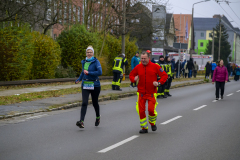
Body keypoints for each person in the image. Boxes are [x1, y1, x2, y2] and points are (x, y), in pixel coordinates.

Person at [129, 51, 168, 134]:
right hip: (141, 93)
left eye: (144, 58)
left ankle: (152, 124)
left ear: (148, 58)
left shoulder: (155, 66)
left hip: (151, 92)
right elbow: (131, 75)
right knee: (141, 111)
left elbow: (164, 75)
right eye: (142, 58)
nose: (143, 60)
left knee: (151, 110)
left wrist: (159, 83)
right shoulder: (138, 67)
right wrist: (133, 79)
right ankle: (144, 128)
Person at [75, 46, 102, 128]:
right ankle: (81, 121)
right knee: (84, 103)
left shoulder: (96, 62)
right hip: (85, 84)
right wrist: (79, 79)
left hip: (95, 85)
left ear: (93, 53)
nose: (89, 54)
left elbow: (100, 72)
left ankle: (98, 117)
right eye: (88, 52)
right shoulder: (84, 62)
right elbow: (83, 72)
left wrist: (89, 73)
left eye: (90, 52)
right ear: (86, 53)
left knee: (95, 103)